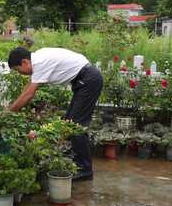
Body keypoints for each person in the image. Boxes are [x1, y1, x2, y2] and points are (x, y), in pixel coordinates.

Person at [7, 47, 103, 181]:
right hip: (85, 80)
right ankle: (78, 161)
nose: (20, 74)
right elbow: (27, 88)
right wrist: (12, 106)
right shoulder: (38, 58)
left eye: (18, 70)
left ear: (25, 62)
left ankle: (85, 169)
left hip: (88, 80)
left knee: (76, 126)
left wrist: (8, 113)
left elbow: (29, 94)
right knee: (70, 122)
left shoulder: (39, 63)